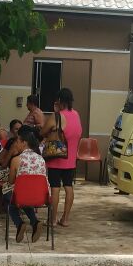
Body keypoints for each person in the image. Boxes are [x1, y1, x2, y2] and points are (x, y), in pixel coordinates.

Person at [42, 88, 83, 228]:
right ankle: (65, 219)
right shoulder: (76, 114)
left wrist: (55, 111)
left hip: (56, 158)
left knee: (55, 188)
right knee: (68, 186)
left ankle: (52, 220)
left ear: (59, 101)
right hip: (70, 159)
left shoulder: (57, 116)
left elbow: (43, 131)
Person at [7, 127, 48, 243]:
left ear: (24, 143)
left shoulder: (16, 159)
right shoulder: (41, 159)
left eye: (18, 141)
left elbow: (11, 181)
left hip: (22, 196)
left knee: (11, 203)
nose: (16, 144)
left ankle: (20, 224)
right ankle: (34, 222)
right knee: (26, 197)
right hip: (41, 197)